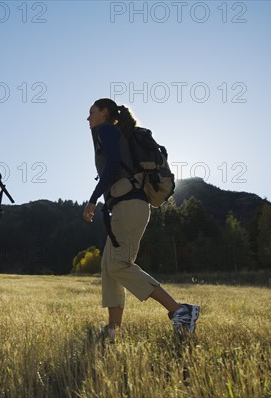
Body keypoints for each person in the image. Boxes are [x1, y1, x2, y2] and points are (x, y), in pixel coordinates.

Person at [83, 98, 199, 342]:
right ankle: (113, 329)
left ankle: (179, 311)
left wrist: (93, 199)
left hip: (129, 206)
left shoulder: (106, 130)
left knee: (117, 264)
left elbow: (112, 167)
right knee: (109, 266)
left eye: (91, 112)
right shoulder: (117, 132)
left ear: (104, 112)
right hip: (128, 205)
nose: (88, 117)